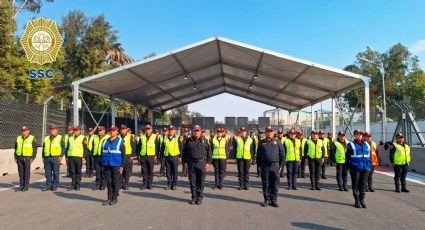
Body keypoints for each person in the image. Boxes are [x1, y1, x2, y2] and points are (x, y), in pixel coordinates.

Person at [183, 125, 212, 205]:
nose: (196, 132)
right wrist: (184, 163)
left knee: (201, 182)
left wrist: (208, 163)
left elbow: (209, 152)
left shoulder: (205, 140)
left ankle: (199, 197)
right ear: (192, 131)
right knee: (192, 182)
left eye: (198, 131)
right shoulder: (188, 140)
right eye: (195, 131)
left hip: (201, 163)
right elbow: (184, 152)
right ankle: (194, 197)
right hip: (191, 164)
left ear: (200, 132)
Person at [257, 126, 285, 207]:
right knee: (265, 184)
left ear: (273, 133)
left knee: (275, 184)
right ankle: (266, 200)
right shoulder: (261, 142)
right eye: (267, 131)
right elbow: (258, 155)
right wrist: (259, 166)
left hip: (275, 166)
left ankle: (274, 200)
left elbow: (282, 154)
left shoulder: (278, 142)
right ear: (265, 132)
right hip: (265, 166)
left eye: (271, 131)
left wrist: (281, 166)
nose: (269, 133)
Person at [346, 130, 371, 208]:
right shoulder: (351, 145)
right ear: (354, 135)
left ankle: (362, 200)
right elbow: (347, 158)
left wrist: (369, 166)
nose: (359, 136)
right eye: (357, 134)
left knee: (363, 184)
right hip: (355, 168)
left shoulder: (366, 144)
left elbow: (369, 156)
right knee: (355, 185)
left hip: (365, 167)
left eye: (360, 134)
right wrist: (348, 167)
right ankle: (357, 201)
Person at [101, 126, 125, 205]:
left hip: (116, 164)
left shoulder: (120, 141)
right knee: (109, 182)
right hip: (106, 164)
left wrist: (122, 166)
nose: (112, 132)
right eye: (110, 131)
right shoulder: (105, 141)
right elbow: (103, 153)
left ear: (117, 132)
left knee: (115, 181)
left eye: (113, 131)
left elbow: (123, 155)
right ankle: (109, 198)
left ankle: (114, 198)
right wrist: (102, 163)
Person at [42, 124, 65, 191]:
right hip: (47, 157)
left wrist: (61, 156)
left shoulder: (60, 138)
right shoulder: (46, 138)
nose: (52, 131)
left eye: (53, 129)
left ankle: (54, 185)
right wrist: (43, 156)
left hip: (55, 158)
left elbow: (63, 147)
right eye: (51, 129)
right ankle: (48, 185)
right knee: (47, 172)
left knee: (55, 172)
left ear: (56, 130)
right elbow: (44, 148)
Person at [14, 126, 37, 192]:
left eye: (25, 131)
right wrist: (15, 157)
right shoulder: (18, 138)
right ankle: (21, 185)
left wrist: (32, 157)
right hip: (19, 157)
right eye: (22, 131)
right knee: (21, 172)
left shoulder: (32, 138)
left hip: (27, 158)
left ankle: (26, 186)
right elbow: (15, 148)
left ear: (28, 131)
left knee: (26, 172)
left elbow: (35, 149)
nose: (23, 132)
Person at [137, 125, 160, 190]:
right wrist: (138, 155)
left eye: (149, 129)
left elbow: (157, 147)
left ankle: (150, 184)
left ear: (151, 130)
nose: (147, 130)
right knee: (144, 171)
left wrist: (156, 155)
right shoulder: (142, 137)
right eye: (146, 129)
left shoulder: (155, 137)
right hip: (143, 156)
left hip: (151, 156)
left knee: (150, 171)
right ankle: (145, 184)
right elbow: (139, 147)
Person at [161, 125, 183, 190]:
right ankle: (169, 183)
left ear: (174, 131)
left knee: (175, 171)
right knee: (168, 171)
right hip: (167, 157)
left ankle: (174, 184)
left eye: (172, 130)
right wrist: (162, 156)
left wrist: (180, 157)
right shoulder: (165, 138)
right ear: (168, 131)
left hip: (175, 157)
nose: (171, 131)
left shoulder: (177, 138)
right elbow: (162, 148)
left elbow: (181, 148)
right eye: (170, 130)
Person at [66, 126, 88, 191]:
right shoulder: (70, 138)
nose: (75, 131)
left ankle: (77, 185)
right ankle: (73, 185)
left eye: (77, 130)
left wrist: (83, 157)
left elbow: (85, 148)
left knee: (78, 171)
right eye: (74, 130)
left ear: (80, 131)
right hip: (71, 157)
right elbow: (67, 148)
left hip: (79, 157)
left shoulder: (83, 138)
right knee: (72, 171)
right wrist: (67, 156)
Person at [119, 125, 136, 190]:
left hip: (127, 156)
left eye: (124, 129)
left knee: (126, 170)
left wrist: (132, 156)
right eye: (121, 129)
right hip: (120, 156)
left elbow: (133, 146)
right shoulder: (118, 137)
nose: (122, 130)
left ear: (126, 129)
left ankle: (126, 183)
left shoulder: (130, 136)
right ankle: (120, 183)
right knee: (120, 170)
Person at [92, 126, 109, 190]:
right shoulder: (95, 137)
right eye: (99, 130)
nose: (99, 132)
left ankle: (103, 184)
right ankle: (97, 184)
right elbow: (93, 146)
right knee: (98, 171)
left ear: (104, 131)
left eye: (101, 130)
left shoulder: (107, 137)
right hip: (96, 156)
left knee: (103, 171)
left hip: (104, 156)